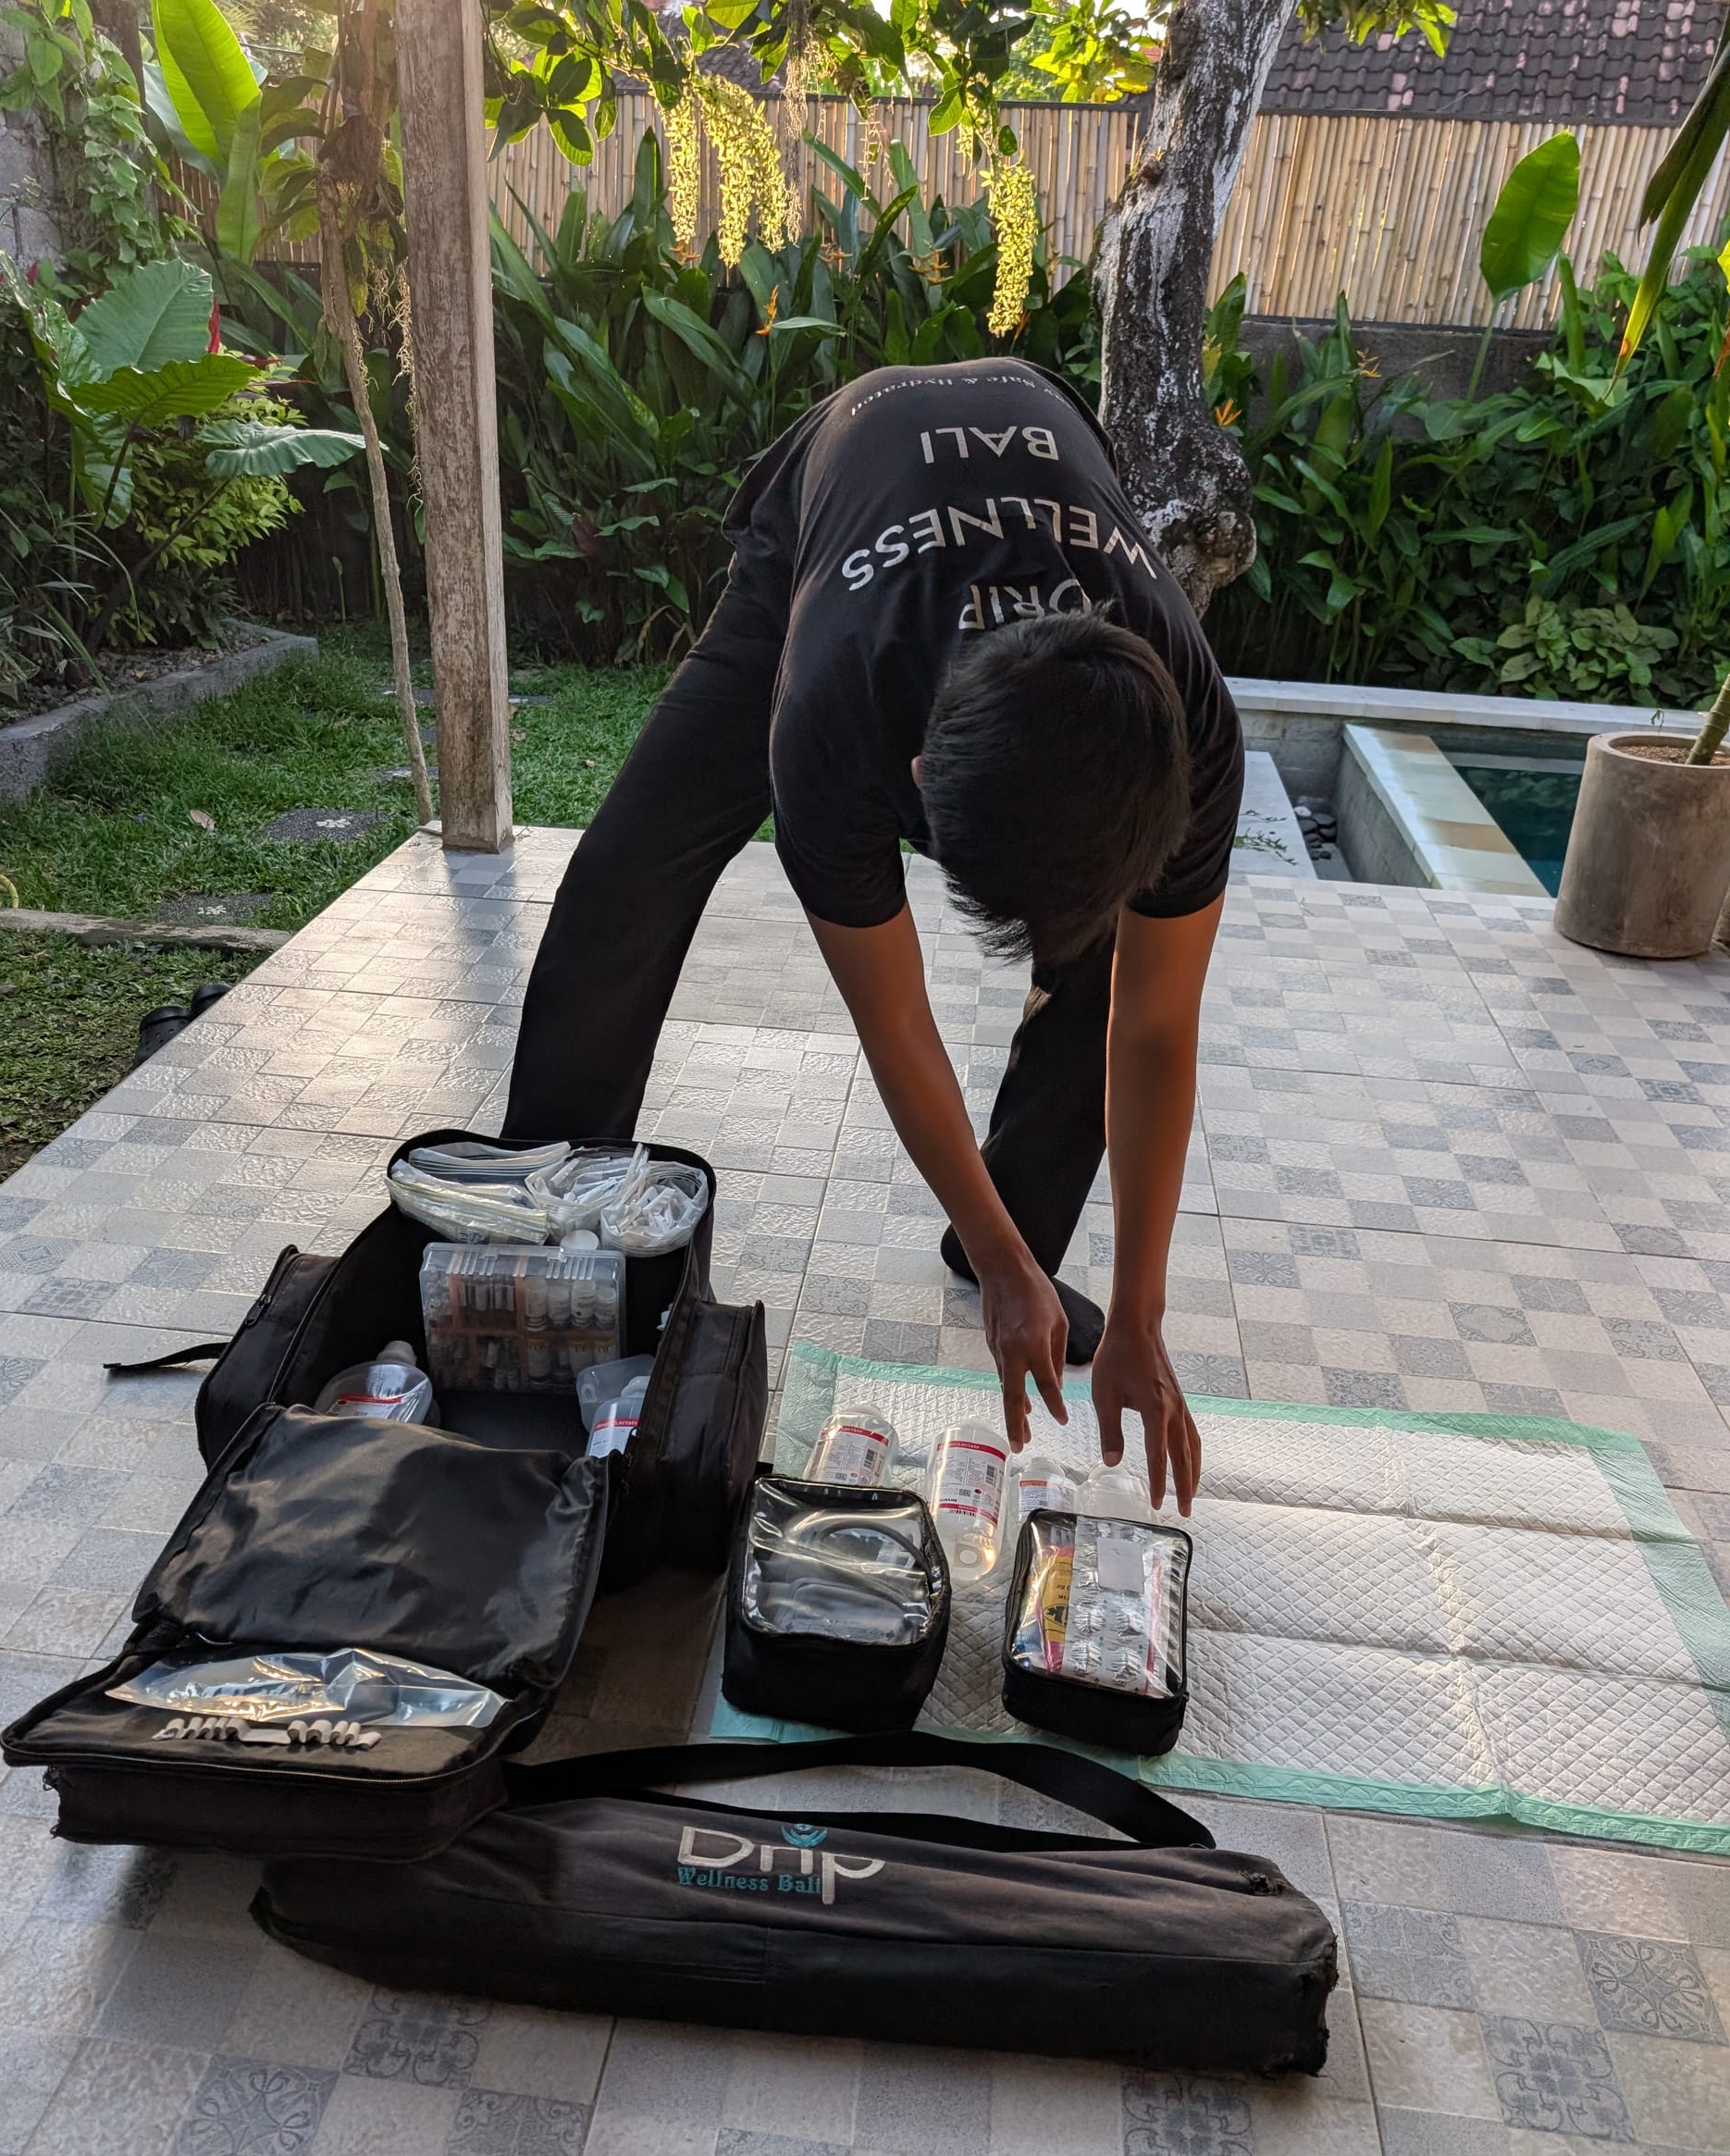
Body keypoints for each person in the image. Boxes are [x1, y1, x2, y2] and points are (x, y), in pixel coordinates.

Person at [502, 358, 1243, 1509]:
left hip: (1037, 457)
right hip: (837, 509)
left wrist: (1142, 1314)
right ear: (914, 782)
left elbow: (1152, 1030)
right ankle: (542, 1218)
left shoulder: (1184, 729)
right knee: (628, 870)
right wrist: (996, 1258)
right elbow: (896, 1020)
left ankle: (1013, 1238)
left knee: (1108, 975)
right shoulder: (830, 708)